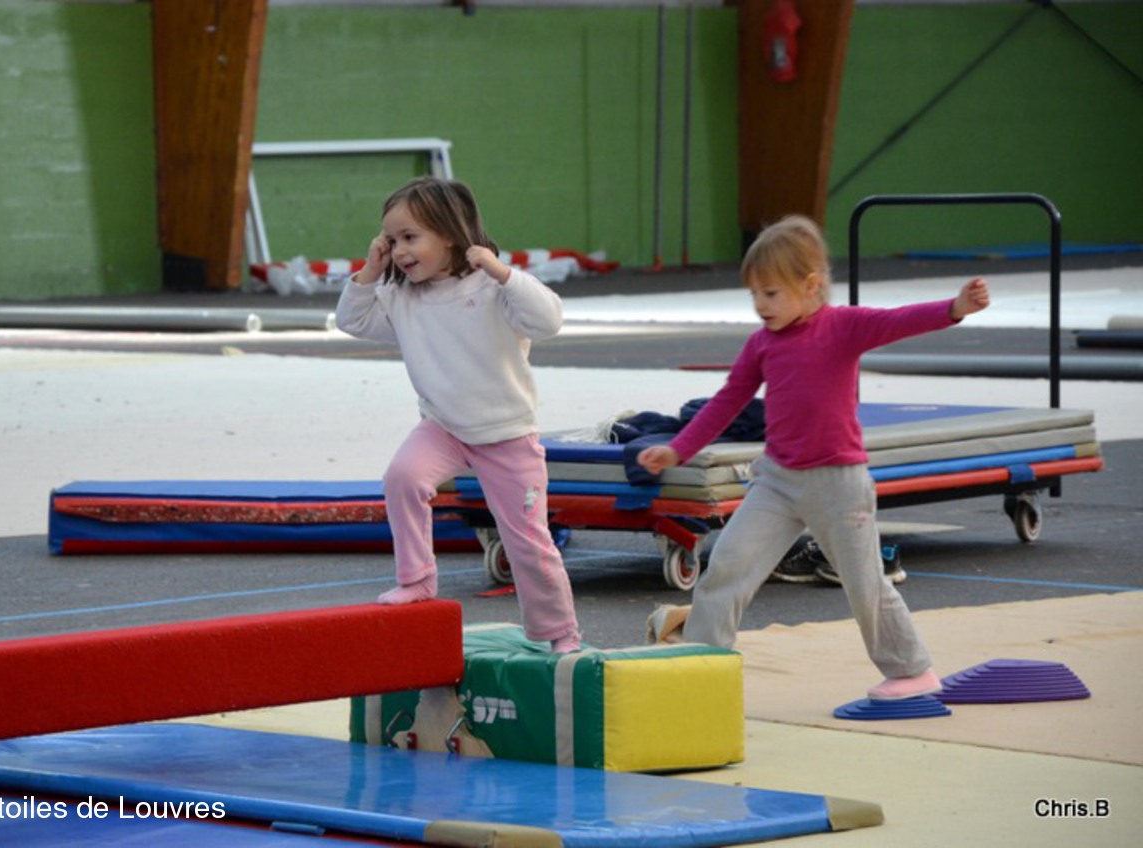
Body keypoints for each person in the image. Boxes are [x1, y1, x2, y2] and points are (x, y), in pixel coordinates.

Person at [639, 215, 990, 699]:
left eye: (771, 293)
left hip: (838, 484)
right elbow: (727, 401)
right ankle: (703, 664)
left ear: (810, 286)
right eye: (754, 294)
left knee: (864, 583)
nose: (760, 305)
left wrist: (954, 308)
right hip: (777, 481)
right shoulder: (761, 344)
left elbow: (897, 321)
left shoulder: (842, 327)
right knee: (728, 563)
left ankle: (912, 670)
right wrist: (678, 448)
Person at [335, 176, 581, 653]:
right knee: (403, 478)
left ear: (449, 234)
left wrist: (503, 273)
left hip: (506, 433)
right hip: (443, 426)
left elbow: (548, 320)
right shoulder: (402, 297)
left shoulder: (492, 288)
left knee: (527, 540)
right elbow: (353, 320)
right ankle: (417, 578)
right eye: (392, 241)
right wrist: (370, 270)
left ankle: (559, 632)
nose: (399, 251)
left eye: (410, 237)